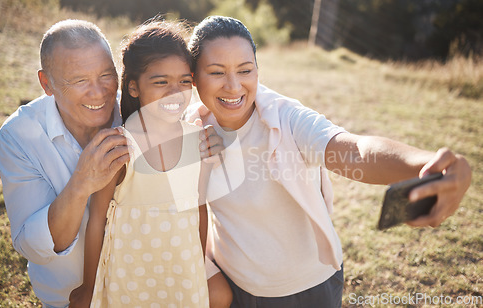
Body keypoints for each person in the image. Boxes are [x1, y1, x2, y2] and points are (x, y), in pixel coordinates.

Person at [187, 16, 472, 307]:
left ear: (257, 71)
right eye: (217, 72)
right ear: (194, 79)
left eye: (245, 70)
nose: (234, 86)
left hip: (309, 287)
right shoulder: (190, 128)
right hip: (237, 286)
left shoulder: (287, 119)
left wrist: (429, 164)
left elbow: (356, 151)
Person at [0, 19, 222, 308]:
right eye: (80, 80)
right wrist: (80, 184)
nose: (99, 92)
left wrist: (206, 142)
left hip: (168, 275)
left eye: (105, 75)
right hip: (84, 294)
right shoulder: (20, 136)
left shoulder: (140, 111)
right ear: (46, 84)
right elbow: (34, 247)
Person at [68, 20, 232, 308]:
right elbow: (96, 221)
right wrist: (89, 286)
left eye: (184, 81)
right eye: (161, 82)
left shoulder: (198, 141)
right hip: (129, 276)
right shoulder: (121, 147)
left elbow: (199, 208)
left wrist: (199, 264)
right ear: (133, 87)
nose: (176, 92)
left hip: (183, 272)